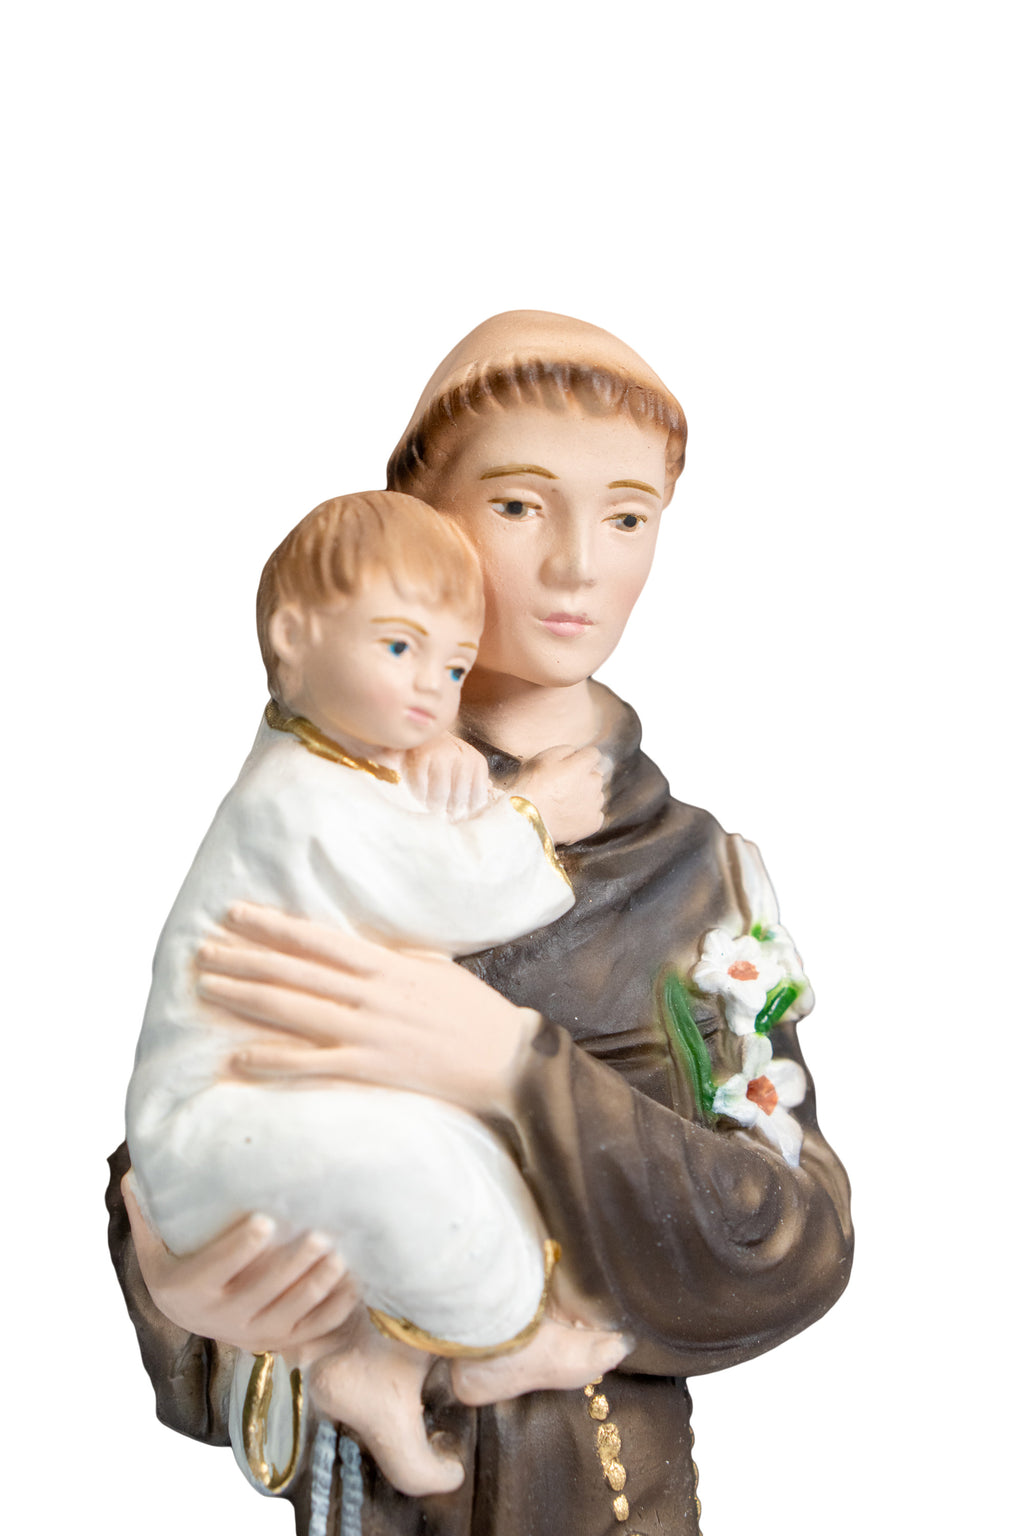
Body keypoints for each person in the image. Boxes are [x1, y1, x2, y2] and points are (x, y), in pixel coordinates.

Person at [108, 311, 853, 1535]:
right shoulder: (310, 809)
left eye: (628, 516)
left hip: (606, 1490)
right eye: (517, 505)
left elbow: (791, 1239)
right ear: (420, 519)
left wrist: (511, 1067)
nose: (576, 566)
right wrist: (188, 1291)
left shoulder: (698, 878)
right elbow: (197, 1106)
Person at [125, 488, 624, 1497]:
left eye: (453, 667)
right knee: (412, 1166)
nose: (433, 689)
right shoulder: (294, 797)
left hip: (273, 1112)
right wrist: (534, 811)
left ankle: (380, 1367)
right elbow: (444, 887)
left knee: (443, 1157)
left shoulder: (332, 753)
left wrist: (421, 748)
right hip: (224, 1120)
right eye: (400, 649)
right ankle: (498, 1341)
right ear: (292, 638)